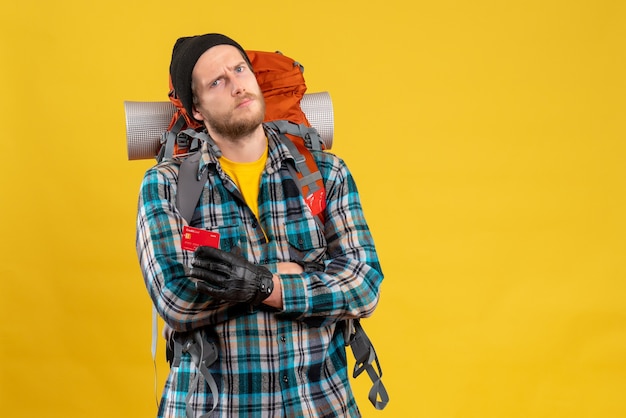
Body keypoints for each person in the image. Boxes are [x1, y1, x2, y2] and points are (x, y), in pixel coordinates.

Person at [136, 33, 384, 417]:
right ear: (197, 109)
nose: (237, 86)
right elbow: (177, 300)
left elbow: (364, 285)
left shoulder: (325, 173)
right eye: (217, 81)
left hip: (319, 404)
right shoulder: (166, 185)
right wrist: (294, 277)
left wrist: (262, 285)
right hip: (213, 407)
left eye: (239, 69)